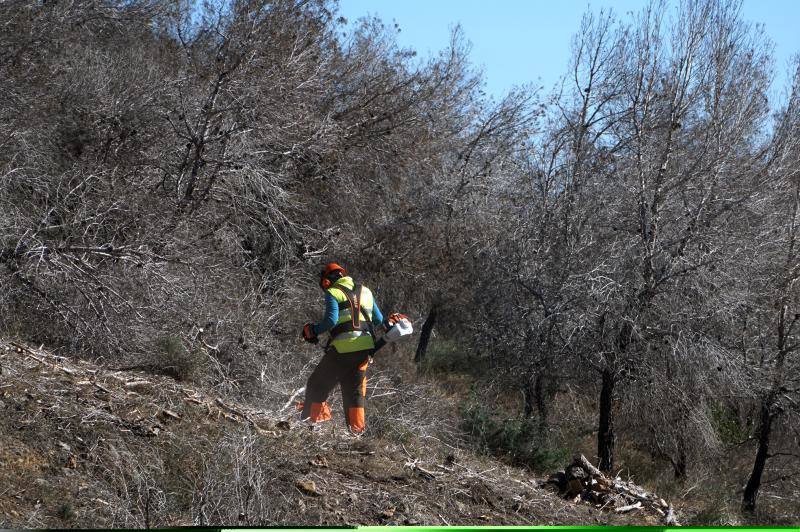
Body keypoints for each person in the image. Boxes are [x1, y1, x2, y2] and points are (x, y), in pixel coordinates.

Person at [299, 262, 386, 433]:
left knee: (317, 384)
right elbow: (379, 319)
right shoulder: (366, 291)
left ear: (326, 282)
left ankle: (310, 425)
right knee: (354, 392)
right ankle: (356, 433)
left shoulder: (333, 292)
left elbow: (331, 321)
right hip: (365, 349)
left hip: (342, 350)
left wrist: (313, 331)